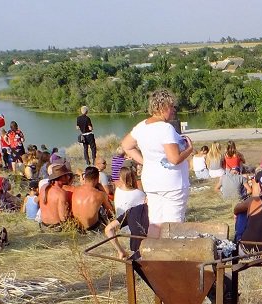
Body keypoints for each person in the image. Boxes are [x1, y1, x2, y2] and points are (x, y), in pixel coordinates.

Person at [121, 89, 194, 235]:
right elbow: (174, 159)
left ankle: (151, 254)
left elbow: (126, 145)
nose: (174, 110)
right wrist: (189, 149)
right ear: (162, 107)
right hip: (172, 185)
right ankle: (170, 256)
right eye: (171, 106)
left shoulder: (141, 126)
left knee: (155, 223)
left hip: (152, 182)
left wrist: (145, 161)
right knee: (173, 225)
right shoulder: (166, 128)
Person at [71, 166, 114, 232]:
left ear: (84, 178)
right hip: (93, 229)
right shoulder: (100, 194)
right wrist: (103, 190)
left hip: (78, 228)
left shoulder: (75, 190)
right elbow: (111, 212)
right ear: (97, 179)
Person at [39, 163, 74, 230]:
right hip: (56, 228)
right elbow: (63, 218)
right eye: (67, 175)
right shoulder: (61, 193)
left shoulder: (43, 187)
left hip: (43, 225)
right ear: (62, 177)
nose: (69, 177)